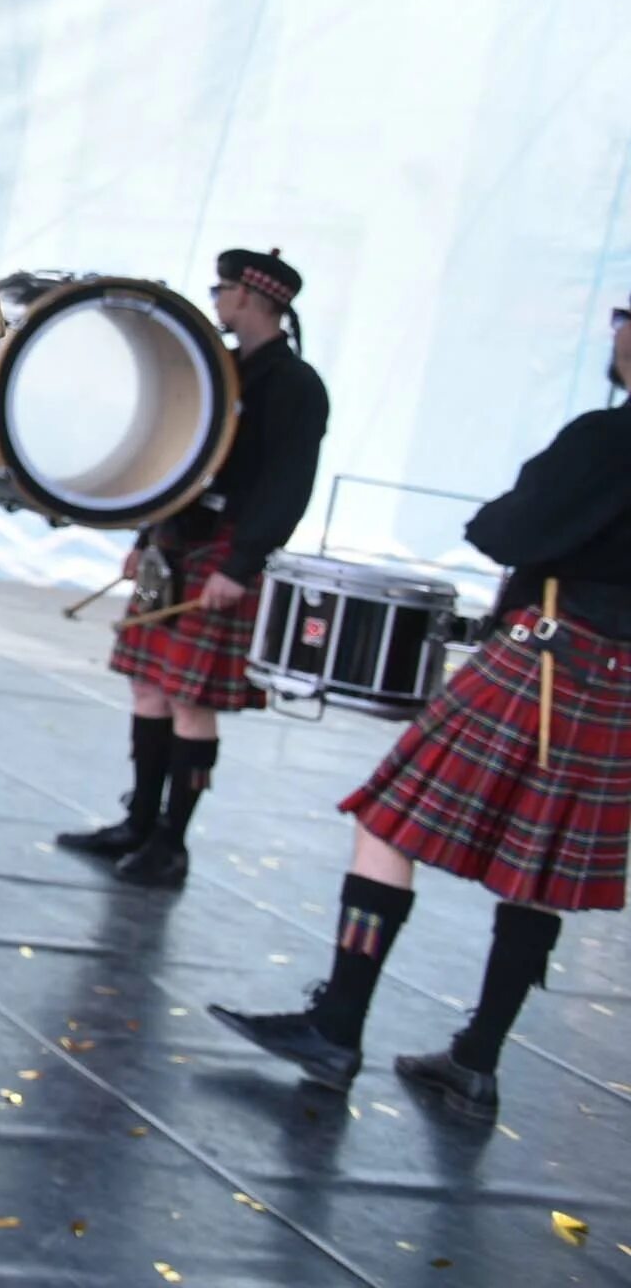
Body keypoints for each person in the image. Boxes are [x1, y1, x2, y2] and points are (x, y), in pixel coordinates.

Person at [210, 302, 630, 1120]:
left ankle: (336, 1028)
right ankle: (475, 1060)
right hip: (619, 687)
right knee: (539, 871)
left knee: (388, 823)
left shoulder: (607, 438)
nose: (614, 331)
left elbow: (509, 530)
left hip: (550, 655)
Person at [57, 248, 330, 888]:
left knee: (190, 699)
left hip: (226, 549)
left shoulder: (296, 386)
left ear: (251, 296)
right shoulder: (223, 369)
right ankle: (139, 823)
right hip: (179, 541)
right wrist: (148, 534)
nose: (215, 299)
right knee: (149, 686)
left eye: (222, 289)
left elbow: (289, 486)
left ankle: (172, 844)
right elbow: (179, 458)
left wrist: (241, 564)